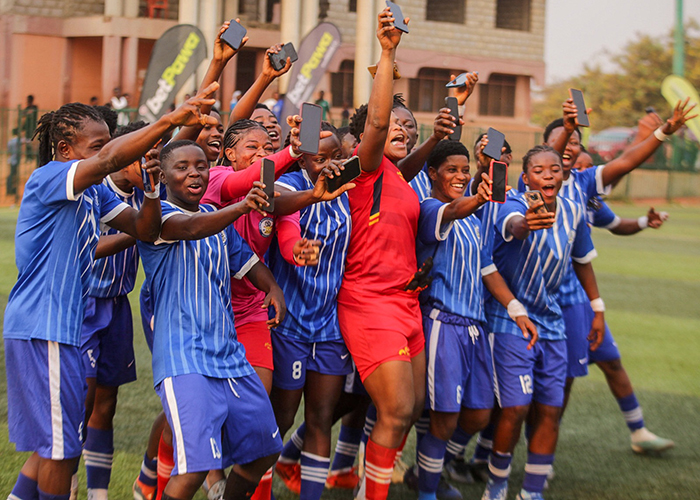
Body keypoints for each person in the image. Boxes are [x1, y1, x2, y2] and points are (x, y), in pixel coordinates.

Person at [3, 83, 217, 500]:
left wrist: (152, 188)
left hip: (61, 329)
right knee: (61, 450)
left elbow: (143, 229)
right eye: (98, 144)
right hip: (41, 328)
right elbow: (109, 161)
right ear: (66, 149)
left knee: (62, 441)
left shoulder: (93, 193)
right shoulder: (50, 176)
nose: (108, 152)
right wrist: (171, 119)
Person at [536, 97, 695, 455]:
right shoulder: (528, 186)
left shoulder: (583, 184)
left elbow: (625, 163)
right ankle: (503, 456)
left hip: (576, 299)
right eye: (565, 140)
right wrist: (570, 127)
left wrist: (662, 132)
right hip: (532, 300)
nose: (571, 147)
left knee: (603, 363)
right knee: (533, 389)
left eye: (576, 143)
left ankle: (633, 432)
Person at [136, 140, 285, 500]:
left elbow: (248, 263)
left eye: (201, 166)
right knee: (194, 469)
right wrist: (240, 206)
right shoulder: (157, 219)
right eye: (182, 167)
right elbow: (191, 228)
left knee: (265, 450)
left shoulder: (215, 217)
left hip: (230, 357)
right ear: (165, 177)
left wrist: (272, 288)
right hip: (185, 361)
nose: (193, 173)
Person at [335, 9, 426, 500]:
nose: (402, 130)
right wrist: (388, 52)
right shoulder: (365, 168)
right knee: (394, 412)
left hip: (405, 303)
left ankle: (365, 484)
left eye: (409, 127)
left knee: (409, 410)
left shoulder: (402, 179)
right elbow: (374, 117)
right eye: (395, 124)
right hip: (369, 302)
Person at [414, 140, 538, 500]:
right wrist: (479, 199)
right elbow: (453, 208)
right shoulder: (431, 209)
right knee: (444, 418)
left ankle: (428, 473)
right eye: (452, 169)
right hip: (443, 324)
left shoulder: (472, 222)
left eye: (464, 169)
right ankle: (427, 490)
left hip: (474, 327)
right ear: (433, 173)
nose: (460, 175)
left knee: (479, 414)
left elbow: (487, 268)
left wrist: (517, 310)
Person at [481, 144, 605, 500]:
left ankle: (532, 492)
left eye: (554, 169)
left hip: (552, 323)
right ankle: (497, 486)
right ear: (526, 177)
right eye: (539, 170)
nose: (549, 175)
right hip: (511, 320)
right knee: (517, 407)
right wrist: (528, 223)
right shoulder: (513, 204)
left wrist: (598, 307)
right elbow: (515, 227)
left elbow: (582, 259)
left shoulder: (573, 210)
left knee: (551, 411)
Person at [267, 123, 357, 500]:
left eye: (336, 156)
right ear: (303, 159)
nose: (331, 165)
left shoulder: (350, 193)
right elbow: (274, 204)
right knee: (282, 419)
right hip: (290, 325)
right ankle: (255, 488)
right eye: (320, 158)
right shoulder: (291, 185)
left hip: (330, 328)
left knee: (321, 419)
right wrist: (296, 246)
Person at [80, 121, 154, 500]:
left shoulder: (149, 195)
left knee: (106, 406)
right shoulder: (93, 192)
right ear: (124, 158)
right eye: (143, 159)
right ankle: (66, 481)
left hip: (118, 307)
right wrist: (140, 230)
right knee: (83, 403)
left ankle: (99, 493)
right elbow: (88, 247)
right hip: (84, 306)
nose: (149, 168)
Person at [22, 94, 38, 161]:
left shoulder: (34, 107)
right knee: (27, 141)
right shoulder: (27, 108)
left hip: (32, 127)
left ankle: (30, 156)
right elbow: (23, 114)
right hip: (27, 127)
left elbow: (34, 114)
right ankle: (28, 156)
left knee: (30, 141)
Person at [7, 127, 21, 196]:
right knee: (14, 175)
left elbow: (8, 151)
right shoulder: (17, 140)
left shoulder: (10, 141)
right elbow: (27, 141)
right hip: (15, 160)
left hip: (11, 159)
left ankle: (9, 189)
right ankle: (12, 189)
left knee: (11, 174)